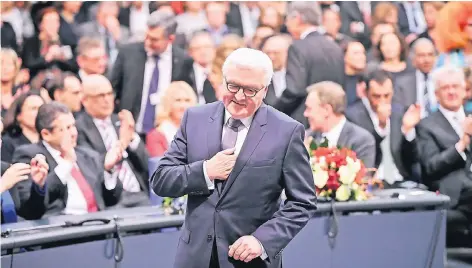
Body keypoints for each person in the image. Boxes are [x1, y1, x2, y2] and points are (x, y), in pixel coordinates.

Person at [151, 48, 317, 268]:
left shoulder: (287, 131)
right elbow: (161, 180)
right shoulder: (195, 118)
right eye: (233, 86)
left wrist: (262, 241)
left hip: (248, 261)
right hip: (194, 258)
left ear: (265, 90)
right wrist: (205, 172)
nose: (239, 96)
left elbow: (302, 202)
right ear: (222, 81)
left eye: (250, 90)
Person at [12, 102, 124, 216]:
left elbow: (111, 201)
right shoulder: (30, 156)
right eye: (67, 128)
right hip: (62, 228)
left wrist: (108, 171)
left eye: (73, 126)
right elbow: (30, 209)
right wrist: (66, 163)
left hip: (99, 224)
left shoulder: (88, 155)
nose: (74, 133)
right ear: (46, 134)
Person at [304, 81, 376, 168]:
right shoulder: (305, 138)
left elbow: (364, 178)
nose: (305, 114)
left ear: (327, 110)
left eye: (309, 108)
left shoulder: (362, 141)